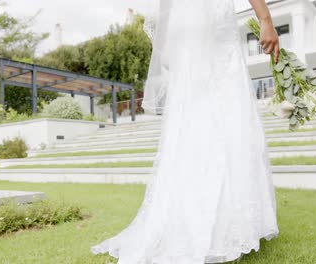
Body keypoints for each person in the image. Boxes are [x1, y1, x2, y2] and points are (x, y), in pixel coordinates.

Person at [90, 0, 280, 263]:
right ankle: (220, 225)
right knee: (218, 115)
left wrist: (167, 46)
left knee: (209, 117)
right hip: (203, 23)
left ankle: (213, 222)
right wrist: (265, 19)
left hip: (193, 26)